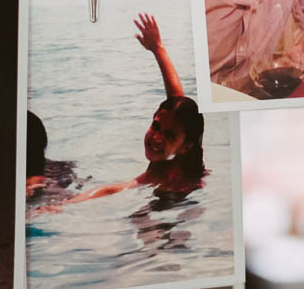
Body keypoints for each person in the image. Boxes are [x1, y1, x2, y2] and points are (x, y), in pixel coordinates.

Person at [32, 12, 207, 213]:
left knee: (139, 222)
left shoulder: (163, 174)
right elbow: (176, 97)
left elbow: (111, 190)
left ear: (185, 146)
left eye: (168, 135)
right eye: (155, 126)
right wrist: (158, 49)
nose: (157, 138)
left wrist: (64, 205)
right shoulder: (188, 147)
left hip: (173, 202)